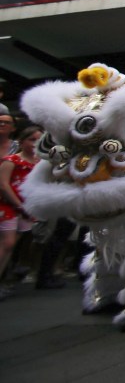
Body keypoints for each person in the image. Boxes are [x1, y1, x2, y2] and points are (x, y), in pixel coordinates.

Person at [0, 125, 41, 300]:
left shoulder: (39, 163)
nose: (35, 144)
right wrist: (18, 205)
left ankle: (6, 278)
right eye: (31, 140)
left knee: (13, 246)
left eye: (38, 140)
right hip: (8, 205)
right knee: (7, 244)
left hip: (27, 206)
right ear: (22, 141)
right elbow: (3, 185)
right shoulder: (11, 160)